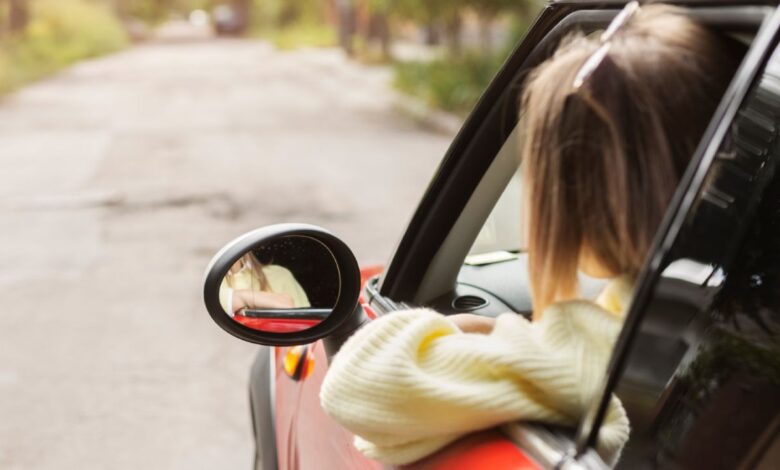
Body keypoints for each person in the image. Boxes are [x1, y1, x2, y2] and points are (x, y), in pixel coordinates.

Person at [319, 3, 745, 466]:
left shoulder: (582, 352)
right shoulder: (725, 318)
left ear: (574, 200)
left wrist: (471, 327)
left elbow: (354, 384)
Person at [219, 251, 310, 317]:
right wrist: (242, 297)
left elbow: (306, 322)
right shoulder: (213, 283)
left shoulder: (279, 274)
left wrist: (243, 298)